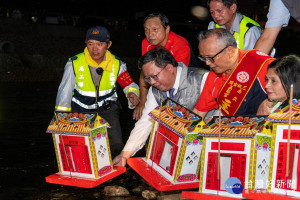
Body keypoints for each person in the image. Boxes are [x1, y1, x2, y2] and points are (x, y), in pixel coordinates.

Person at [113, 48, 208, 166]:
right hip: (180, 153)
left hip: (206, 151)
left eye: (154, 76)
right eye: (148, 79)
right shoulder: (155, 91)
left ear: (169, 68)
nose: (152, 82)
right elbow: (145, 122)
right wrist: (125, 154)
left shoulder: (202, 79)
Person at [55, 26, 140, 158]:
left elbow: (129, 84)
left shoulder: (118, 64)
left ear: (108, 45)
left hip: (108, 108)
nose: (94, 49)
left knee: (116, 144)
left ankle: (112, 171)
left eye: (99, 44)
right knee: (81, 146)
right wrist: (62, 119)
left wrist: (132, 94)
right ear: (86, 44)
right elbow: (64, 93)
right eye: (90, 44)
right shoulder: (74, 63)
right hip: (80, 109)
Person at [192, 28, 275, 120]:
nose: (207, 63)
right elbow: (199, 112)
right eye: (203, 58)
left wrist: (270, 101)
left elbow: (290, 87)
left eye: (210, 58)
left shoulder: (259, 63)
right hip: (237, 129)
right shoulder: (214, 77)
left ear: (230, 51)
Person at [133, 13, 199, 121]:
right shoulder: (146, 43)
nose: (150, 34)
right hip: (162, 75)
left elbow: (177, 79)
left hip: (187, 77)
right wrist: (143, 102)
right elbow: (145, 73)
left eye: (155, 29)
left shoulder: (180, 44)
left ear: (167, 29)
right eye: (146, 30)